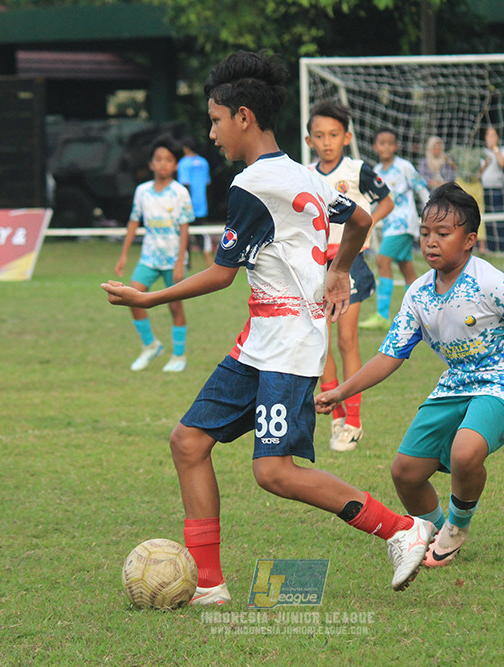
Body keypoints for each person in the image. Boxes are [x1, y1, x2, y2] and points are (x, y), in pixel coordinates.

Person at [101, 51, 435, 605]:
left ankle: (402, 530)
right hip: (263, 339)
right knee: (188, 442)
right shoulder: (299, 173)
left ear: (244, 117)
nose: (211, 134)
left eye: (215, 120)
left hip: (288, 342)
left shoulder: (253, 184)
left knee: (274, 471)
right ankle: (208, 585)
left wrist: (150, 296)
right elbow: (358, 217)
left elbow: (221, 275)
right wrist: (340, 269)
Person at [315, 182, 504, 568]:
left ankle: (456, 526)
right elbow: (389, 356)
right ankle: (436, 530)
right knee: (405, 472)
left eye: (443, 234)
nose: (430, 242)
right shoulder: (417, 294)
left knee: (465, 451)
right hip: (457, 382)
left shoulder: (490, 282)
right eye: (424, 233)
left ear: (469, 240)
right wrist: (341, 393)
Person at [305, 100, 394, 452]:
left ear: (347, 137)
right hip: (317, 267)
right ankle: (336, 415)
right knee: (319, 342)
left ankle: (354, 421)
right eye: (319, 136)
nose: (327, 142)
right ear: (309, 140)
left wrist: (367, 228)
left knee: (347, 340)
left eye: (334, 135)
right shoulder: (306, 176)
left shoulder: (358, 170)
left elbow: (384, 200)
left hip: (351, 263)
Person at [114, 135, 194, 373]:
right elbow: (133, 222)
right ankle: (150, 345)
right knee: (132, 295)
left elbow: (184, 229)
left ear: (175, 165)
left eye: (168, 160)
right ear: (150, 164)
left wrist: (181, 261)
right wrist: (123, 255)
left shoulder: (180, 193)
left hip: (173, 259)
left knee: (175, 307)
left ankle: (179, 356)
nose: (163, 164)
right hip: (149, 257)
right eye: (158, 159)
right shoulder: (142, 192)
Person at [359, 127, 430, 331]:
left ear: (396, 146)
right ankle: (424, 314)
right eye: (382, 143)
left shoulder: (405, 167)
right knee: (407, 270)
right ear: (375, 146)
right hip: (389, 226)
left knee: (382, 260)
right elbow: (374, 202)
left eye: (390, 143)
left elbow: (422, 189)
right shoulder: (377, 172)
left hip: (404, 223)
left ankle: (382, 315)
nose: (386, 147)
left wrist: (429, 216)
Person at [177, 135, 212, 262]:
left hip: (188, 205)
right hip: (202, 204)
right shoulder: (204, 162)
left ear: (185, 148)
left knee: (184, 233)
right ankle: (208, 260)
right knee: (202, 233)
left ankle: (186, 262)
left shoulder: (184, 163)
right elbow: (207, 184)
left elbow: (185, 185)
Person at [478, 126, 504, 251]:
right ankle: (490, 248)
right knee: (487, 219)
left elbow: (502, 163)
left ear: (497, 137)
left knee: (500, 218)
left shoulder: (503, 150)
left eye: (493, 135)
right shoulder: (482, 153)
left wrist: (495, 149)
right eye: (488, 135)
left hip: (498, 188)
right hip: (484, 188)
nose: (490, 138)